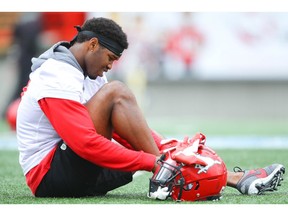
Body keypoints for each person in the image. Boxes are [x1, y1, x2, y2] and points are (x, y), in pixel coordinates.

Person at [16, 17, 285, 199]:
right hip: (49, 177)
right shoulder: (56, 74)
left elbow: (126, 130)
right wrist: (155, 162)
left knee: (140, 131)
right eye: (110, 58)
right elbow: (85, 142)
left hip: (75, 171)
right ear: (92, 45)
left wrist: (170, 149)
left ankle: (234, 178)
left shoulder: (91, 73)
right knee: (118, 92)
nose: (110, 66)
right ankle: (172, 173)